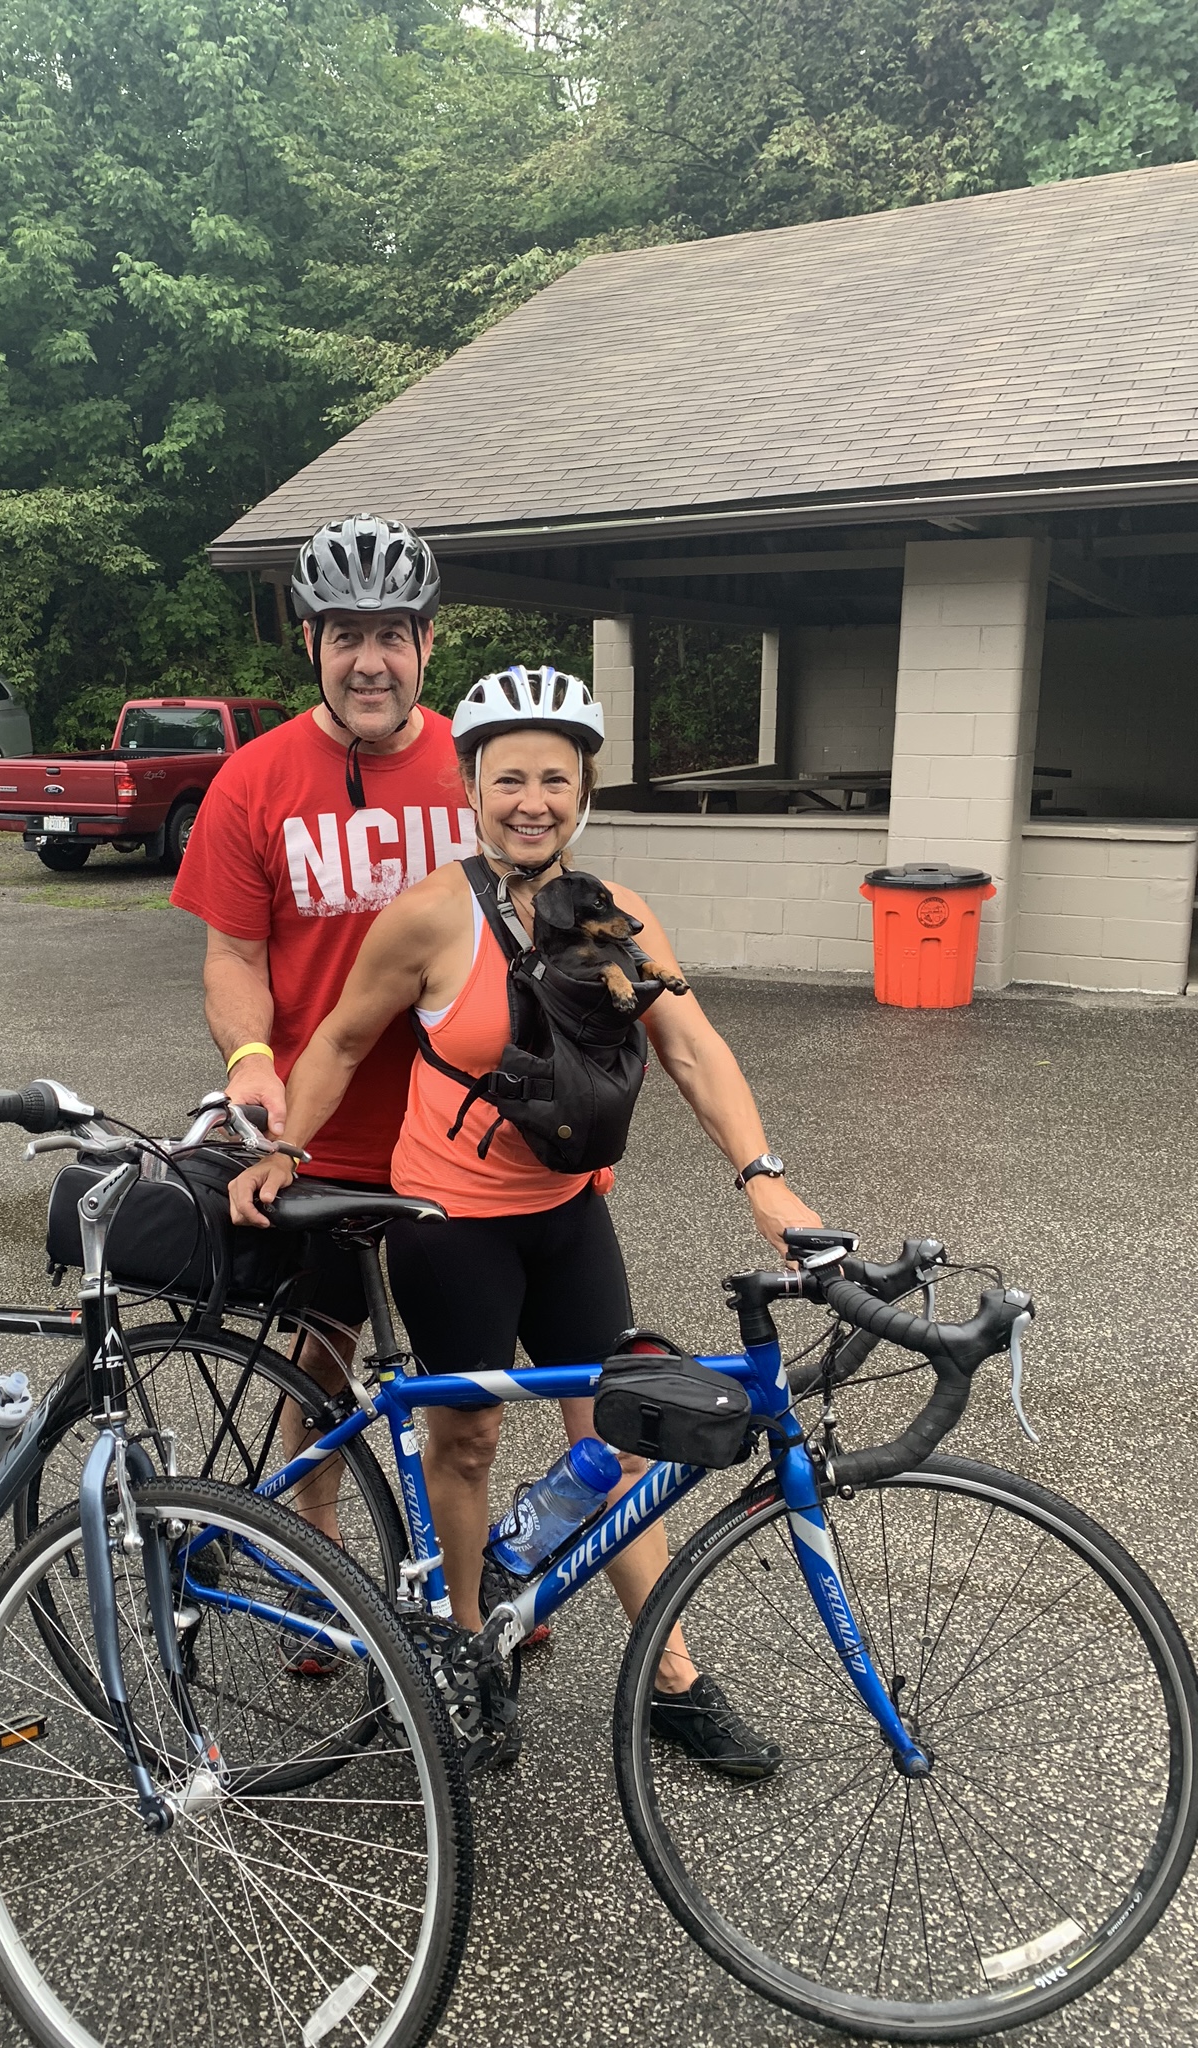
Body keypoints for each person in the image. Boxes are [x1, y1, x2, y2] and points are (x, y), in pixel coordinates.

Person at [228, 664, 822, 1774]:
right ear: (471, 784)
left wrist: (765, 1177)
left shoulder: (618, 914)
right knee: (468, 1440)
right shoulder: (427, 914)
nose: (532, 798)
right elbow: (346, 1041)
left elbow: (693, 1048)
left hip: (567, 1215)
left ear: (584, 790)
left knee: (613, 1443)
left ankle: (672, 1676)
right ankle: (468, 1650)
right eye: (510, 777)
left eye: (556, 777)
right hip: (450, 1222)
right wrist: (277, 1150)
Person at [171, 512, 471, 1469]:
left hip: (460, 1135)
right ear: (311, 642)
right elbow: (234, 956)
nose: (370, 661)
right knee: (327, 1359)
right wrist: (251, 1059)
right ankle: (322, 1550)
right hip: (319, 1134)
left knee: (462, 1392)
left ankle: (450, 1582)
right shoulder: (253, 780)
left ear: (429, 640)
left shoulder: (481, 769)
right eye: (346, 634)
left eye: (392, 633)